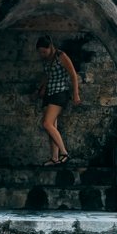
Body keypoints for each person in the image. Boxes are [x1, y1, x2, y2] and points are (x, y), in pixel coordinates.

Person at [35, 35, 81, 166]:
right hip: (49, 93)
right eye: (40, 52)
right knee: (52, 127)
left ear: (50, 47)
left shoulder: (61, 56)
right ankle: (54, 158)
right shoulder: (47, 60)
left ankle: (64, 153)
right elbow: (47, 75)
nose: (42, 54)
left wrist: (76, 94)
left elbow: (73, 74)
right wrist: (42, 88)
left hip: (60, 92)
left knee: (47, 124)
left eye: (44, 51)